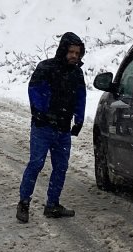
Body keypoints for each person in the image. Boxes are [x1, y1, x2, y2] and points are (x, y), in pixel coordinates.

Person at [16, 32, 86, 223]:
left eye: (77, 53)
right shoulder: (46, 68)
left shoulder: (77, 73)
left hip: (63, 128)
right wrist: (38, 113)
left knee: (61, 167)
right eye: (71, 52)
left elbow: (80, 96)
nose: (74, 56)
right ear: (63, 50)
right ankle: (24, 203)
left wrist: (79, 119)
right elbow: (34, 90)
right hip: (43, 127)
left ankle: (52, 204)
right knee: (36, 164)